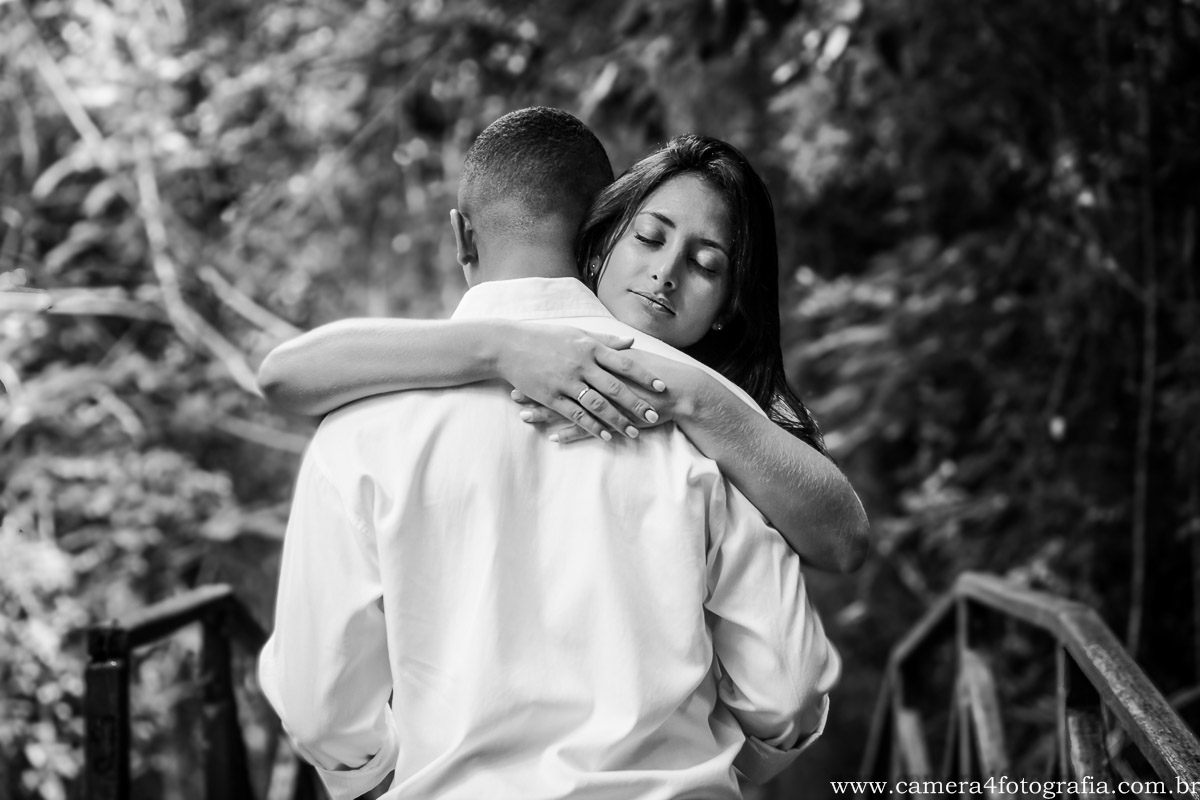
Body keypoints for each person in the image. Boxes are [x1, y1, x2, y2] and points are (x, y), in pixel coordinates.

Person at [258, 107, 839, 800]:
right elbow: (787, 686)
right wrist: (724, 773)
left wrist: (379, 779)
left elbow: (319, 702)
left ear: (459, 234)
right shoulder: (701, 417)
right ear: (606, 226)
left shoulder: (359, 426)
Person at [257, 135, 869, 573]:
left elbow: (843, 540)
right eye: (650, 238)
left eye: (706, 264)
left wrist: (685, 390)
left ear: (731, 303)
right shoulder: (522, 346)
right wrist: (501, 348)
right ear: (601, 240)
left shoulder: (719, 418)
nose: (664, 273)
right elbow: (284, 374)